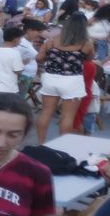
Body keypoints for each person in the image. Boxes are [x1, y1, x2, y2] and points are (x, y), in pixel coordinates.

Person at [35, 11, 96, 143]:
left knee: (46, 113)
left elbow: (39, 58)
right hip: (72, 81)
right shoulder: (86, 43)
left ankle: (41, 143)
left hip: (50, 78)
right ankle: (63, 147)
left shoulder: (51, 41)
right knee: (67, 117)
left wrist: (51, 56)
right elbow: (90, 59)